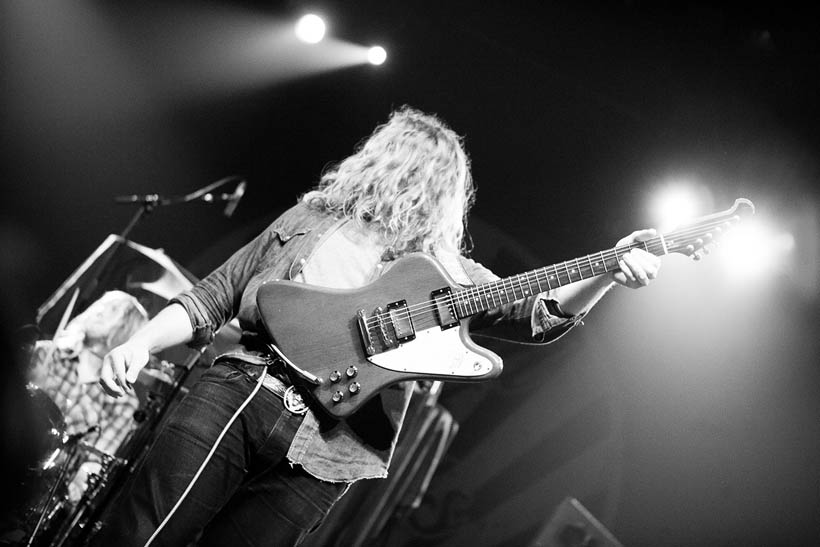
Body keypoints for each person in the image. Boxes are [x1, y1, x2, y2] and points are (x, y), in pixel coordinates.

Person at [96, 106, 661, 546]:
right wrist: (141, 341)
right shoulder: (312, 219)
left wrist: (610, 269)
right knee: (140, 534)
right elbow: (216, 293)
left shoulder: (446, 272)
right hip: (244, 394)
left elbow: (536, 315)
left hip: (333, 449)